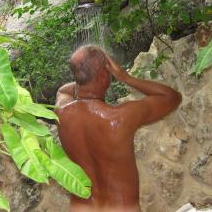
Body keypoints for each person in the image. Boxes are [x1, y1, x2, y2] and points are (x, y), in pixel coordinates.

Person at [55, 46, 182, 212]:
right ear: (103, 75)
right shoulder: (120, 117)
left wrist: (84, 78)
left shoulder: (61, 111)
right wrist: (126, 77)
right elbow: (172, 97)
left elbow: (63, 89)